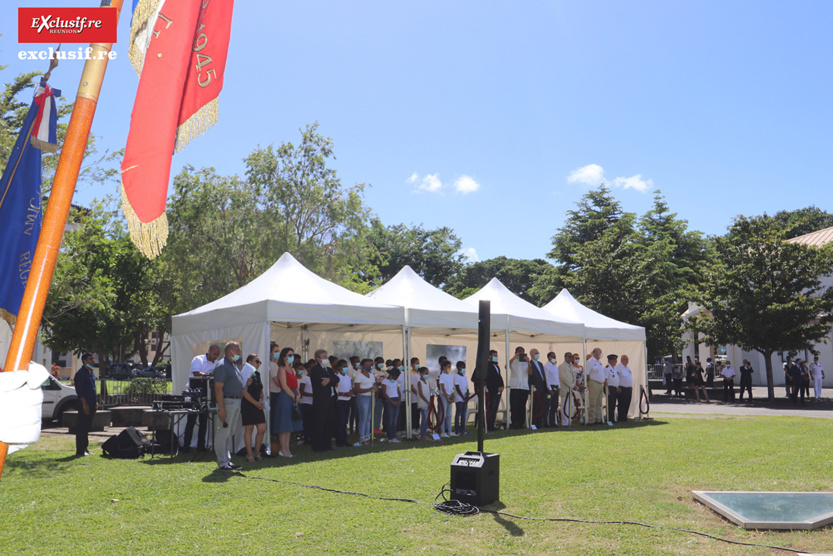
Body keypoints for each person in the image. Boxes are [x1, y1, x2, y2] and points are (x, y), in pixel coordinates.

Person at [183, 343, 220, 453]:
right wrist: (208, 375)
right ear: (209, 351)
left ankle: (201, 445)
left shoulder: (217, 363)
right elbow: (196, 373)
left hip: (206, 393)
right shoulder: (198, 359)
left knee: (204, 421)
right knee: (191, 420)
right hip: (194, 393)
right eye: (214, 354)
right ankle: (186, 446)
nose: (215, 356)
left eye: (217, 354)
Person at [213, 341, 245, 471]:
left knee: (229, 432)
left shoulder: (233, 365)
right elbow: (218, 389)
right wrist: (222, 409)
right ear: (229, 351)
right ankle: (222, 462)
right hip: (228, 402)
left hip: (236, 401)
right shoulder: (222, 366)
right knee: (223, 432)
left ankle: (227, 460)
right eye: (237, 350)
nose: (239, 353)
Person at [272, 347, 302, 457]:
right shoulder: (281, 369)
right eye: (289, 355)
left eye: (292, 355)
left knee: (289, 425)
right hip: (285, 397)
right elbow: (284, 386)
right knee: (283, 425)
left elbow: (295, 385)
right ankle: (283, 449)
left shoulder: (292, 370)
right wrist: (294, 396)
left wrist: (298, 394)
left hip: (293, 396)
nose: (291, 357)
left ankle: (287, 448)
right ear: (284, 357)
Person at [310, 349, 338, 452]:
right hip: (321, 401)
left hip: (330, 400)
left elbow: (336, 379)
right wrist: (330, 380)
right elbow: (322, 382)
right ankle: (317, 446)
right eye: (324, 357)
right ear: (318, 359)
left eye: (326, 357)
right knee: (319, 424)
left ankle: (327, 444)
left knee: (329, 423)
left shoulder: (329, 370)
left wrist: (329, 379)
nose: (326, 359)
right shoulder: (315, 369)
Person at [240, 354, 266, 462]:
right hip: (248, 404)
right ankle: (250, 454)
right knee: (249, 429)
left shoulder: (257, 374)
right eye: (257, 361)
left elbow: (260, 389)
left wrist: (261, 401)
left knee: (262, 428)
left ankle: (257, 451)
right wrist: (255, 403)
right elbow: (243, 391)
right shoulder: (245, 373)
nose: (259, 364)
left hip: (257, 404)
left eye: (260, 362)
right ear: (249, 362)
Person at [472, 350, 504, 431]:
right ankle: (488, 425)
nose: (496, 357)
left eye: (497, 355)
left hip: (498, 390)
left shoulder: (496, 366)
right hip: (490, 390)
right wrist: (496, 387)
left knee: (495, 408)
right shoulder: (486, 366)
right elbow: (489, 379)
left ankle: (492, 424)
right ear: (489, 356)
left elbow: (499, 377)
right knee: (490, 408)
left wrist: (502, 386)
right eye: (494, 355)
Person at [74, 353, 97, 457]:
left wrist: (95, 402)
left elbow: (93, 388)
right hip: (84, 404)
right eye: (90, 359)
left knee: (87, 427)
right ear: (84, 361)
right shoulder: (80, 374)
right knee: (82, 427)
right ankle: (80, 450)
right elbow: (80, 391)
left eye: (93, 358)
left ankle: (85, 448)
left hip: (92, 403)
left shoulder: (91, 372)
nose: (93, 360)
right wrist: (85, 404)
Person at [352, 359, 376, 445]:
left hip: (371, 397)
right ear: (362, 366)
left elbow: (374, 384)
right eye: (367, 365)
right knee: (363, 418)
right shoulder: (359, 375)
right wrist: (369, 389)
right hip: (363, 397)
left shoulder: (371, 374)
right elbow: (356, 390)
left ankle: (367, 436)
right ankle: (362, 437)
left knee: (369, 418)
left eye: (371, 365)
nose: (369, 367)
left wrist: (374, 388)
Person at [508, 347, 530, 429]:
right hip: (515, 386)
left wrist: (528, 362)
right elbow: (507, 366)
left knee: (522, 405)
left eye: (522, 352)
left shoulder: (526, 362)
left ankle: (521, 423)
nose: (520, 353)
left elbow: (530, 372)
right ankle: (514, 423)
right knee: (514, 405)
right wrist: (514, 357)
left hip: (524, 386)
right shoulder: (513, 361)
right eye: (519, 352)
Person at [527, 348, 548, 429]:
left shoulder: (540, 364)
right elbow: (530, 376)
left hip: (542, 387)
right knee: (535, 406)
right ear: (531, 354)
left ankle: (539, 423)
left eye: (538, 353)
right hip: (535, 388)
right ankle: (533, 423)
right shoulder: (530, 364)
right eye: (535, 353)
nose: (537, 354)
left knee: (541, 406)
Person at [335, 359, 354, 445]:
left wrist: (350, 392)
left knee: (345, 421)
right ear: (339, 368)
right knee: (341, 421)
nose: (346, 368)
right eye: (344, 366)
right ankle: (339, 440)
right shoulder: (337, 377)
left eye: (346, 366)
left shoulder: (348, 378)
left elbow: (350, 388)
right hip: (340, 401)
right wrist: (343, 394)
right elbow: (335, 391)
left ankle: (344, 440)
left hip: (348, 401)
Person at [381, 368, 402, 443]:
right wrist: (392, 401)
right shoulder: (385, 381)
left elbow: (398, 391)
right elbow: (384, 393)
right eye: (395, 376)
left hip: (396, 400)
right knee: (390, 420)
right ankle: (390, 437)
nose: (396, 378)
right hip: (389, 401)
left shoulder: (396, 382)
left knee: (395, 420)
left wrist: (399, 400)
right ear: (391, 375)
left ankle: (393, 436)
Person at [586, 348, 606, 424]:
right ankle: (591, 420)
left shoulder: (599, 361)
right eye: (600, 353)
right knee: (593, 402)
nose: (601, 354)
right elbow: (587, 374)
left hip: (600, 384)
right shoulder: (590, 362)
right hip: (593, 383)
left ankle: (598, 419)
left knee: (599, 403)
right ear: (596, 353)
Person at [296, 360, 313, 445]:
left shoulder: (314, 378)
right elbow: (301, 391)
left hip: (313, 403)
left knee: (312, 422)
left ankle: (312, 437)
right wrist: (312, 395)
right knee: (306, 421)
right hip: (306, 403)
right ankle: (306, 438)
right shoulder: (305, 379)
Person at [437, 360, 455, 437]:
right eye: (448, 366)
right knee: (443, 414)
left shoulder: (450, 376)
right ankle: (442, 432)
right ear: (444, 367)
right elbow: (443, 388)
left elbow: (451, 387)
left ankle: (449, 431)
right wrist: (447, 397)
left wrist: (452, 395)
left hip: (450, 395)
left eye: (450, 366)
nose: (449, 368)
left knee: (449, 415)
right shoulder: (442, 376)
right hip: (444, 396)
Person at [558, 352, 576, 427]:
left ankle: (569, 421)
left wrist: (573, 384)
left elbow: (574, 377)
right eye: (569, 356)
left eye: (572, 357)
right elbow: (563, 378)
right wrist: (571, 385)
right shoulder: (561, 366)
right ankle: (565, 422)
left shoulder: (571, 366)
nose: (570, 358)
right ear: (565, 357)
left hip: (571, 389)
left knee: (571, 406)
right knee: (565, 406)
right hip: (565, 389)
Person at [454, 361, 470, 435]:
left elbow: (467, 387)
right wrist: (462, 397)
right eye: (462, 367)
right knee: (458, 414)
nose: (463, 369)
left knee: (464, 414)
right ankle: (457, 429)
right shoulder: (456, 377)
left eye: (464, 367)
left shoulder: (465, 377)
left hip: (465, 399)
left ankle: (463, 428)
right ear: (458, 368)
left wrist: (467, 396)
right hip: (459, 398)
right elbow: (457, 388)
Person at [544, 352, 560, 428]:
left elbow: (557, 377)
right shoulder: (547, 366)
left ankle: (553, 422)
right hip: (550, 387)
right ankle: (547, 423)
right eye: (553, 357)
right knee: (548, 406)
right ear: (549, 357)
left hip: (556, 386)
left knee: (555, 406)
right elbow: (547, 378)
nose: (554, 358)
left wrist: (559, 387)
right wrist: (549, 389)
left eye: (555, 356)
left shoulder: (555, 366)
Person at [616, 354, 634, 421]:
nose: (627, 361)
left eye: (627, 359)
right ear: (621, 360)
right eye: (625, 359)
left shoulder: (627, 367)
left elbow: (629, 377)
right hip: (622, 388)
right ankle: (621, 417)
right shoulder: (619, 367)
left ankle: (625, 416)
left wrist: (630, 385)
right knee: (622, 403)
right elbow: (616, 377)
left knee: (627, 402)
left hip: (628, 388)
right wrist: (617, 386)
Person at [416, 367, 432, 439]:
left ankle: (424, 432)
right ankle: (423, 433)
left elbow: (429, 391)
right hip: (423, 402)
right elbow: (421, 394)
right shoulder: (419, 382)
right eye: (425, 373)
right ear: (421, 373)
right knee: (424, 418)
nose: (427, 375)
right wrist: (427, 401)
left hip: (428, 402)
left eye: (428, 373)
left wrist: (430, 401)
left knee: (426, 418)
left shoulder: (427, 381)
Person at [604, 354, 620, 424]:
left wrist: (617, 386)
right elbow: (605, 379)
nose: (616, 362)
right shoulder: (607, 368)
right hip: (610, 388)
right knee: (610, 404)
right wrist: (607, 389)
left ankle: (612, 418)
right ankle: (609, 418)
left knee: (613, 404)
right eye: (614, 360)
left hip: (614, 388)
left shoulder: (614, 368)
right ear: (610, 361)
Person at [409, 357, 421, 436]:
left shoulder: (419, 373)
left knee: (418, 413)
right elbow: (411, 386)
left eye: (418, 363)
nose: (418, 365)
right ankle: (413, 428)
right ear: (412, 365)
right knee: (414, 413)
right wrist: (418, 394)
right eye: (416, 363)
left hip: (420, 398)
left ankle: (417, 427)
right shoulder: (410, 373)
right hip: (413, 398)